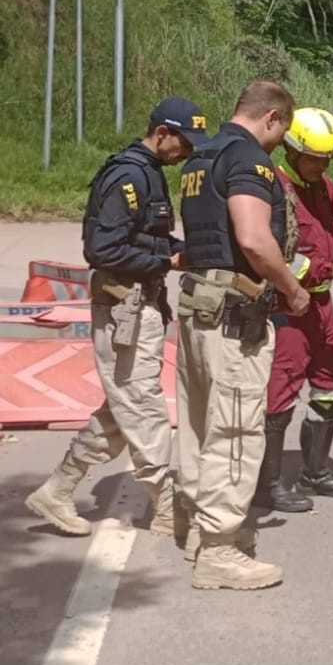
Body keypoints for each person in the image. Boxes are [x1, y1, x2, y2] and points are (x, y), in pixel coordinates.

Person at [25, 97, 209, 536]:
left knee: (123, 408)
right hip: (122, 311)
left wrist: (177, 248)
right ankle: (165, 506)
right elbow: (102, 250)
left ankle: (57, 489)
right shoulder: (128, 176)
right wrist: (168, 259)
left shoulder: (149, 174)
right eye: (182, 142)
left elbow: (147, 235)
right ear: (161, 133)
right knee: (142, 407)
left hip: (139, 306)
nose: (185, 153)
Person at [176, 80, 310, 591]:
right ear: (272, 117)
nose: (279, 143)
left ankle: (197, 527)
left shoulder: (199, 158)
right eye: (282, 131)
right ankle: (219, 551)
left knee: (199, 424)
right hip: (235, 315)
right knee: (234, 429)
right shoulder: (249, 161)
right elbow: (254, 239)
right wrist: (292, 290)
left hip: (197, 306)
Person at [255, 107, 333, 513]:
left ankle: (316, 471)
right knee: (280, 395)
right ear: (291, 150)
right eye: (315, 158)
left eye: (328, 159)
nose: (322, 165)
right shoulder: (273, 188)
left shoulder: (324, 186)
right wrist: (330, 270)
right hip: (288, 305)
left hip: (321, 305)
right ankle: (267, 484)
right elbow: (274, 256)